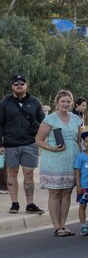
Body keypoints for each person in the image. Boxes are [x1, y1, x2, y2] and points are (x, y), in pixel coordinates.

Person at [36, 90, 83, 237]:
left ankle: (63, 225)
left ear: (72, 103)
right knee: (55, 192)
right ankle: (56, 226)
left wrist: (82, 158)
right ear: (57, 103)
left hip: (72, 159)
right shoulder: (49, 119)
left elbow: (79, 140)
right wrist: (52, 148)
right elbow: (39, 140)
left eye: (68, 101)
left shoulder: (76, 119)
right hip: (54, 160)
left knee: (67, 192)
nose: (66, 104)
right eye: (63, 101)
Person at [0, 74, 46, 215]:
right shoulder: (4, 103)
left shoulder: (35, 102)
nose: (19, 85)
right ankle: (14, 203)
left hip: (29, 143)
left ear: (26, 85)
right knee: (12, 172)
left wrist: (40, 137)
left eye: (22, 83)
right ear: (12, 86)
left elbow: (44, 122)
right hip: (10, 143)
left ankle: (30, 204)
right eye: (16, 83)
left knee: (29, 173)